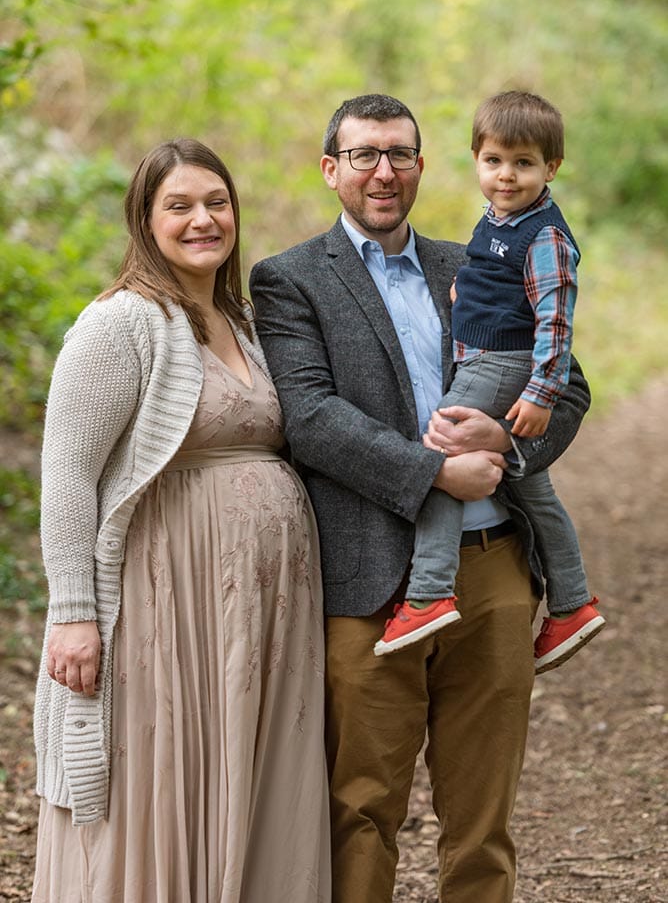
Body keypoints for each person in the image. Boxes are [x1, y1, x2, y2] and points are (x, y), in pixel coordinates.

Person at [249, 93, 591, 903]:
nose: (383, 171)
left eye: (400, 153)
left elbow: (567, 387)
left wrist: (506, 447)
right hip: (371, 581)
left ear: (424, 165)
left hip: (495, 573)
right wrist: (434, 471)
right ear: (331, 168)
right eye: (363, 154)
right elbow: (311, 418)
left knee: (483, 815)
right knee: (362, 806)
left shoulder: (474, 259)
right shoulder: (290, 280)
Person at [31, 139, 330, 903]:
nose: (204, 220)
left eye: (217, 202)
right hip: (166, 601)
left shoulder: (245, 321)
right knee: (162, 771)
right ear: (146, 219)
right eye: (180, 206)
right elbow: (68, 472)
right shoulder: (121, 323)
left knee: (253, 766)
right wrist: (71, 613)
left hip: (262, 613)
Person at [374, 91, 605, 671]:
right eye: (495, 161)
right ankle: (572, 603)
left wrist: (541, 393)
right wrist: (464, 299)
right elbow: (496, 284)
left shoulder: (546, 235)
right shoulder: (497, 222)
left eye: (524, 163)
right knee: (533, 487)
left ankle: (429, 591)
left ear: (551, 168)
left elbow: (555, 319)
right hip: (491, 355)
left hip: (503, 367)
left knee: (442, 447)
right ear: (476, 159)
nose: (507, 175)